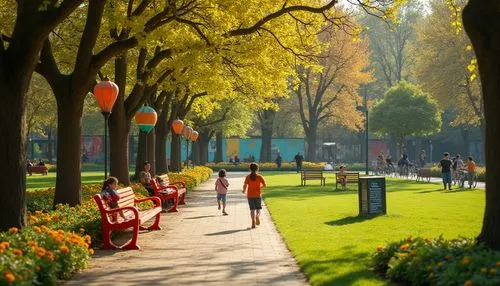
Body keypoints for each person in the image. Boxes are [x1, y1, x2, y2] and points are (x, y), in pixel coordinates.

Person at [242, 163, 266, 229]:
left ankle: (253, 222)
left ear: (250, 169)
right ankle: (257, 216)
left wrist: (244, 190)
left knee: (252, 209)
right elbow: (264, 185)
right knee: (258, 209)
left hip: (250, 195)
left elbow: (245, 185)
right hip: (258, 195)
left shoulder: (248, 177)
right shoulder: (260, 177)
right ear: (257, 169)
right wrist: (260, 187)